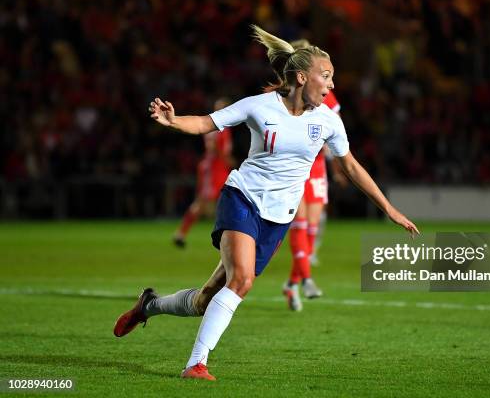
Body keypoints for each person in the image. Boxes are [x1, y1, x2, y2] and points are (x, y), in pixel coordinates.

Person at [113, 24, 419, 381]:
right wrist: (172, 120)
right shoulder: (260, 106)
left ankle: (149, 305)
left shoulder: (328, 121)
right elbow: (206, 123)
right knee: (242, 280)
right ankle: (196, 364)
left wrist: (389, 208)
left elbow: (351, 166)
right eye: (326, 76)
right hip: (242, 197)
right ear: (302, 77)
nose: (332, 85)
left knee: (205, 300)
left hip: (278, 218)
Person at [282, 87, 346, 311]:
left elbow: (336, 130)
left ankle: (292, 284)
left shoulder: (327, 94)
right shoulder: (291, 91)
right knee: (299, 224)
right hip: (296, 164)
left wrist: (337, 167)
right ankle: (307, 280)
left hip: (318, 167)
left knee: (311, 230)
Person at [173, 98, 234, 248]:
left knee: (228, 197)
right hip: (214, 168)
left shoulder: (215, 124)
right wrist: (227, 160)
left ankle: (230, 233)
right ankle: (181, 233)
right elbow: (216, 149)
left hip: (215, 167)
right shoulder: (221, 128)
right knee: (204, 201)